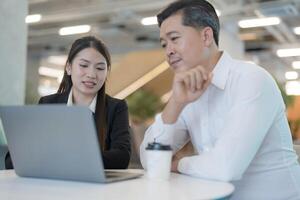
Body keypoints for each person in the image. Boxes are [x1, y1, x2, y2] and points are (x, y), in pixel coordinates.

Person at [140, 0, 300, 199]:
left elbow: (226, 167)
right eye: (164, 44)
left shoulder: (251, 79)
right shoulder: (189, 92)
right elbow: (149, 160)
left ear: (206, 36)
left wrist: (177, 164)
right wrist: (176, 103)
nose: (168, 51)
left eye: (174, 39)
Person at [6, 36, 131, 169]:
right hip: (53, 185)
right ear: (69, 68)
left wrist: (66, 158)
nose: (91, 74)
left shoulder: (116, 108)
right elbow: (12, 159)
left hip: (96, 187)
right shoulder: (48, 104)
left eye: (100, 68)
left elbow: (122, 157)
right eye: (84, 65)